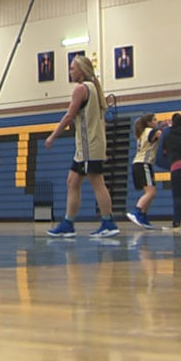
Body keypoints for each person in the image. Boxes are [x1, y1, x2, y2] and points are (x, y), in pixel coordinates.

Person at [44, 55, 119, 238]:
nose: (70, 72)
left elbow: (69, 116)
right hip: (88, 146)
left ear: (82, 70)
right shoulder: (94, 88)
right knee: (72, 182)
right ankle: (68, 223)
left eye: (72, 68)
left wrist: (52, 136)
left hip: (88, 146)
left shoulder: (81, 89)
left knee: (97, 182)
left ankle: (108, 222)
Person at [126, 114, 159, 229]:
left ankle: (143, 216)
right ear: (149, 123)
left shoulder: (143, 132)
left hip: (139, 164)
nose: (157, 122)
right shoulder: (150, 131)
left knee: (150, 192)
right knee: (151, 193)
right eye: (155, 120)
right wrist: (168, 127)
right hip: (143, 164)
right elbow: (161, 134)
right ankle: (137, 211)